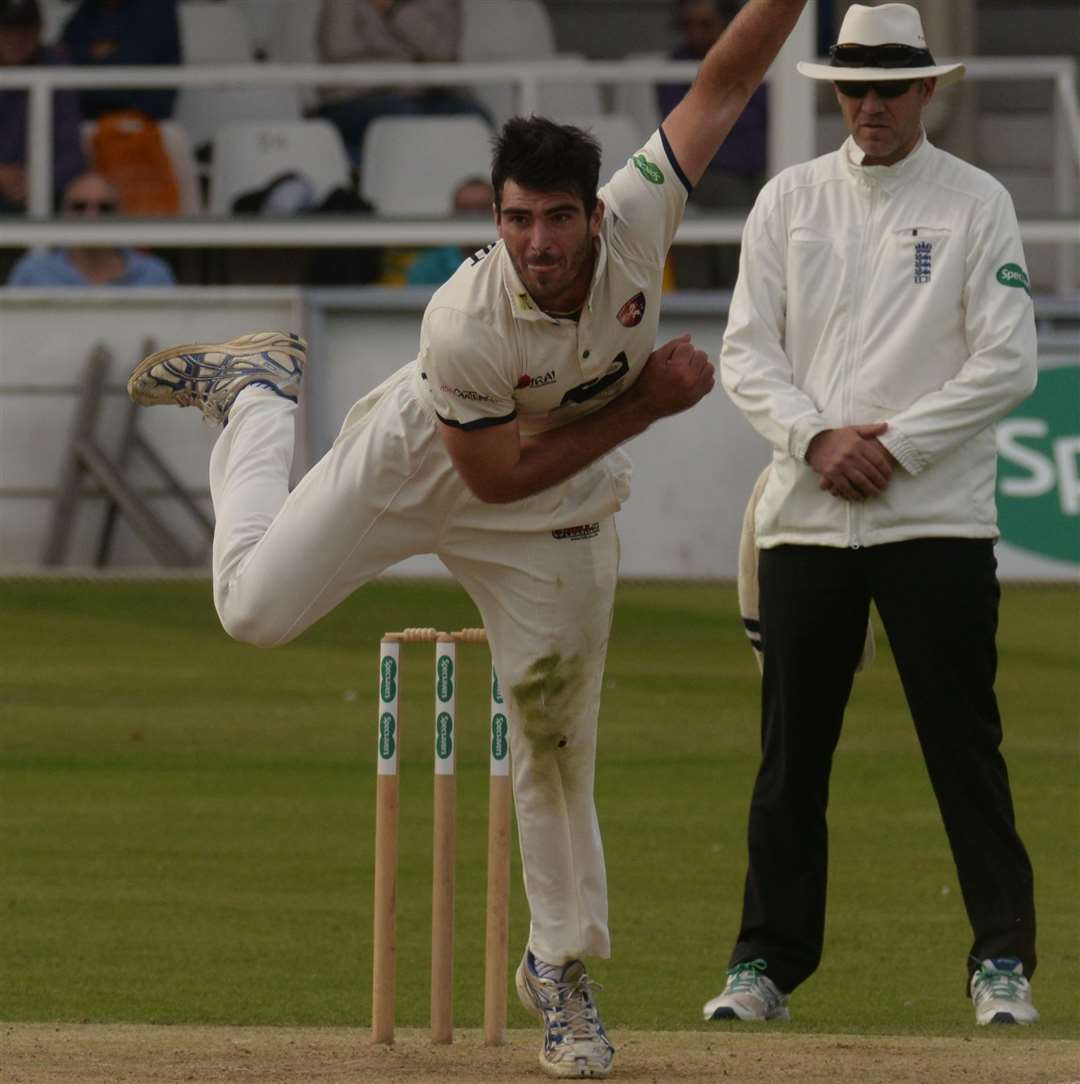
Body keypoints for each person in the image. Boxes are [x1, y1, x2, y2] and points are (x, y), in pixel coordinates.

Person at [127, 1, 809, 1075]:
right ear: (496, 218)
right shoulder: (462, 320)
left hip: (561, 511)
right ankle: (260, 400)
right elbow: (491, 476)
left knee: (551, 745)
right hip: (436, 458)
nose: (537, 243)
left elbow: (725, 81)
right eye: (516, 219)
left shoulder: (642, 212)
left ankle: (562, 974)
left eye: (556, 219)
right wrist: (649, 406)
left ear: (598, 212)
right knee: (251, 611)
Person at [706, 3, 1039, 1030]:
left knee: (961, 745)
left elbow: (1009, 358)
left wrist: (892, 443)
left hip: (933, 517)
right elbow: (745, 351)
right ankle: (765, 962)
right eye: (855, 89)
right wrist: (817, 439)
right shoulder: (788, 200)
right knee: (791, 757)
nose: (872, 107)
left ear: (927, 89)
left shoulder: (977, 202)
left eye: (891, 88)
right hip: (807, 519)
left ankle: (1001, 964)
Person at [657, 0, 767, 289]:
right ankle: (724, 297)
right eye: (689, 26)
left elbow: (761, 120)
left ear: (726, 23)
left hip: (753, 172)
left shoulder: (750, 57)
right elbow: (690, 129)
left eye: (705, 25)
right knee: (723, 198)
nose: (697, 34)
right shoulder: (677, 66)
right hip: (705, 173)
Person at [316, 0, 488, 167]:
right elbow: (337, 52)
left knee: (474, 118)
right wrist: (410, 63)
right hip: (357, 98)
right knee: (406, 120)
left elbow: (442, 52)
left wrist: (394, 8)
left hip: (430, 95)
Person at [7, 171, 175, 286]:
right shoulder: (32, 273)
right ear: (65, 214)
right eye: (80, 207)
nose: (92, 216)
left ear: (120, 215)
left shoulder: (154, 275)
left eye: (105, 208)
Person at [0, 0, 87, 214]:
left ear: (40, 30)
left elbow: (73, 156)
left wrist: (36, 177)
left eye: (26, 28)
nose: (17, 38)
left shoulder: (54, 64)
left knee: (87, 196)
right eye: (7, 29)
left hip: (39, 190)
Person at [60, 0, 181, 122]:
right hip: (88, 120)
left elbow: (129, 75)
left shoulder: (156, 7)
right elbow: (63, 56)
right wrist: (90, 53)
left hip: (145, 122)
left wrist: (93, 60)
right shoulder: (89, 8)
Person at [404, 176, 494, 287]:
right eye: (465, 209)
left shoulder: (510, 262)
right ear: (452, 215)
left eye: (482, 209)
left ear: (497, 213)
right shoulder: (426, 268)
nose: (473, 216)